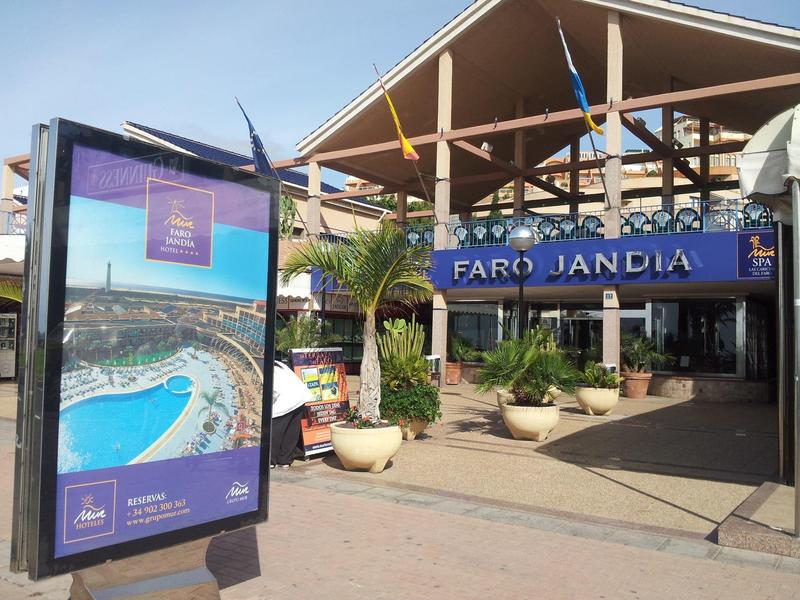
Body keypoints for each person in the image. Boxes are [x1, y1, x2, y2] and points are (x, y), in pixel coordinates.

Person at [270, 360, 311, 469]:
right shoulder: (278, 364)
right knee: (291, 430)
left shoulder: (268, 369)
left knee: (275, 430)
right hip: (300, 397)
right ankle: (285, 460)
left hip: (286, 400)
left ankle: (270, 460)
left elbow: (273, 391)